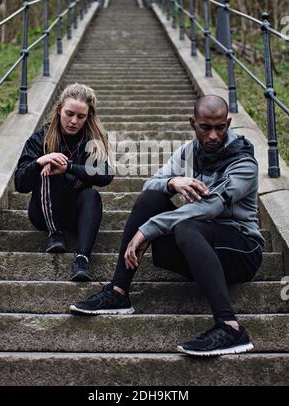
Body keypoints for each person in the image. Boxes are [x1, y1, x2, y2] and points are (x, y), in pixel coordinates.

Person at [69, 94, 264, 357]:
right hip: (197, 248)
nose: (214, 135)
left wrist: (147, 230)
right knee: (152, 198)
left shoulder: (244, 162)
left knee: (187, 226)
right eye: (206, 127)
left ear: (228, 123)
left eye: (221, 127)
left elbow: (211, 207)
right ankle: (118, 291)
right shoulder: (187, 152)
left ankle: (230, 327)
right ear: (193, 123)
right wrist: (173, 182)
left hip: (241, 251)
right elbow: (149, 185)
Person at [15, 83, 114, 282]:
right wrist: (38, 162)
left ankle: (82, 259)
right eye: (69, 114)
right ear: (59, 109)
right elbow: (20, 183)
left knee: (91, 195)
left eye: (81, 116)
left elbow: (105, 176)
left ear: (88, 116)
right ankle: (54, 233)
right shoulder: (40, 138)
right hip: (43, 213)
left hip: (75, 214)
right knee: (49, 169)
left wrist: (69, 166)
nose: (74, 121)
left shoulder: (93, 141)